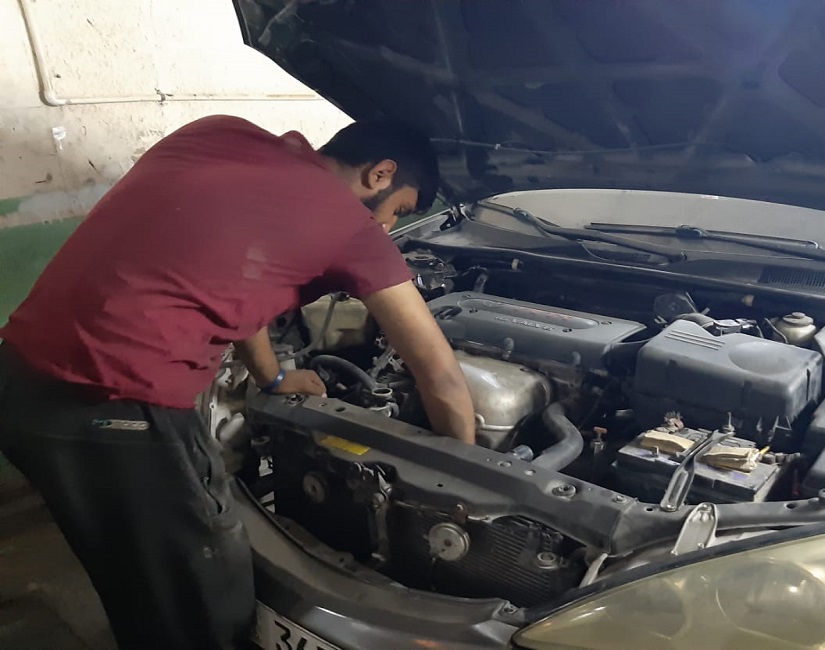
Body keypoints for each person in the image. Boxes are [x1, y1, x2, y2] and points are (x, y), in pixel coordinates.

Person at [0, 115, 476, 649]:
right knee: (201, 589)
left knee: (129, 564)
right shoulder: (352, 227)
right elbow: (439, 374)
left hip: (18, 381)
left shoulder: (216, 133)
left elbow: (238, 273)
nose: (388, 227)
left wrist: (273, 377)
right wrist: (460, 480)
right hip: (114, 406)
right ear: (380, 173)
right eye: (400, 211)